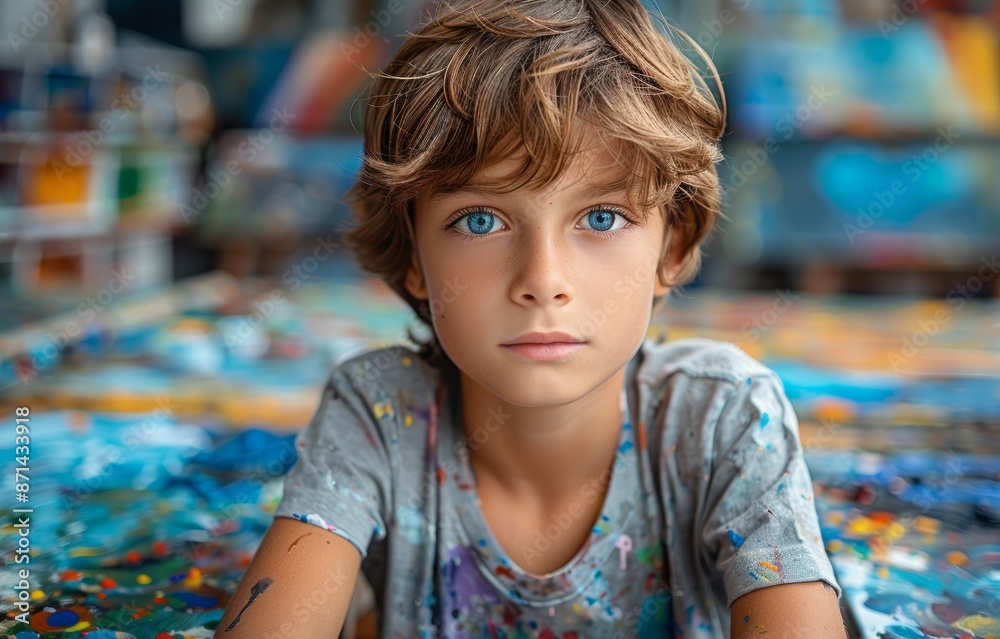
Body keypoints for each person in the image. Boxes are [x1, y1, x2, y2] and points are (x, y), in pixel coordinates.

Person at [216, 1, 847, 637]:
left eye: (601, 217)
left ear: (672, 247)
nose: (543, 281)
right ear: (414, 256)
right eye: (480, 220)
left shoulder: (726, 416)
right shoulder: (380, 414)